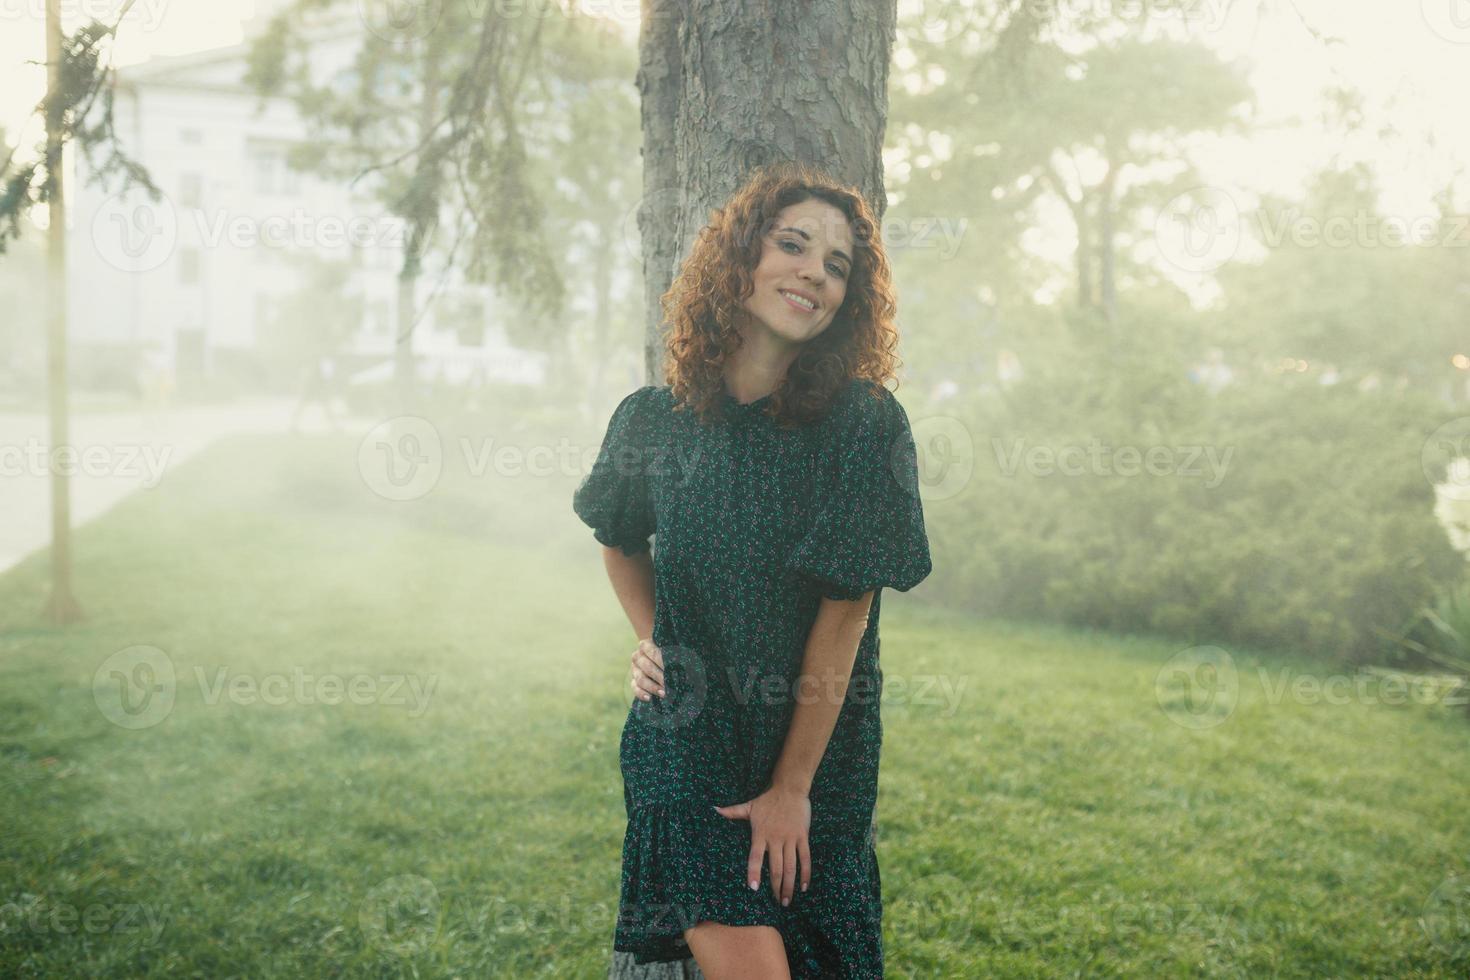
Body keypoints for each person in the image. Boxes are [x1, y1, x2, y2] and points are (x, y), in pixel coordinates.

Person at [572, 162, 932, 979]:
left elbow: (847, 615)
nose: (814, 272)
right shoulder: (652, 419)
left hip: (816, 761)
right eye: (794, 245)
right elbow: (617, 534)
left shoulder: (864, 428)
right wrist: (652, 636)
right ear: (741, 258)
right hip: (686, 744)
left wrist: (792, 789)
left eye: (838, 265)